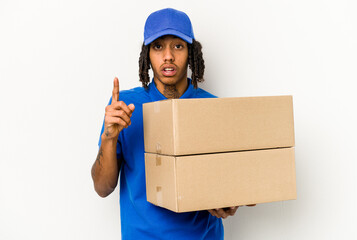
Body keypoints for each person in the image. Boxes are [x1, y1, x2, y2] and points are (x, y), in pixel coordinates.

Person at [91, 8, 252, 239]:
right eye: (158, 46)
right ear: (147, 55)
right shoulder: (124, 107)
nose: (168, 56)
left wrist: (230, 202)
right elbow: (102, 188)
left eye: (178, 46)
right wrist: (109, 137)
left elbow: (235, 181)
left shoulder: (213, 107)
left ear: (191, 52)